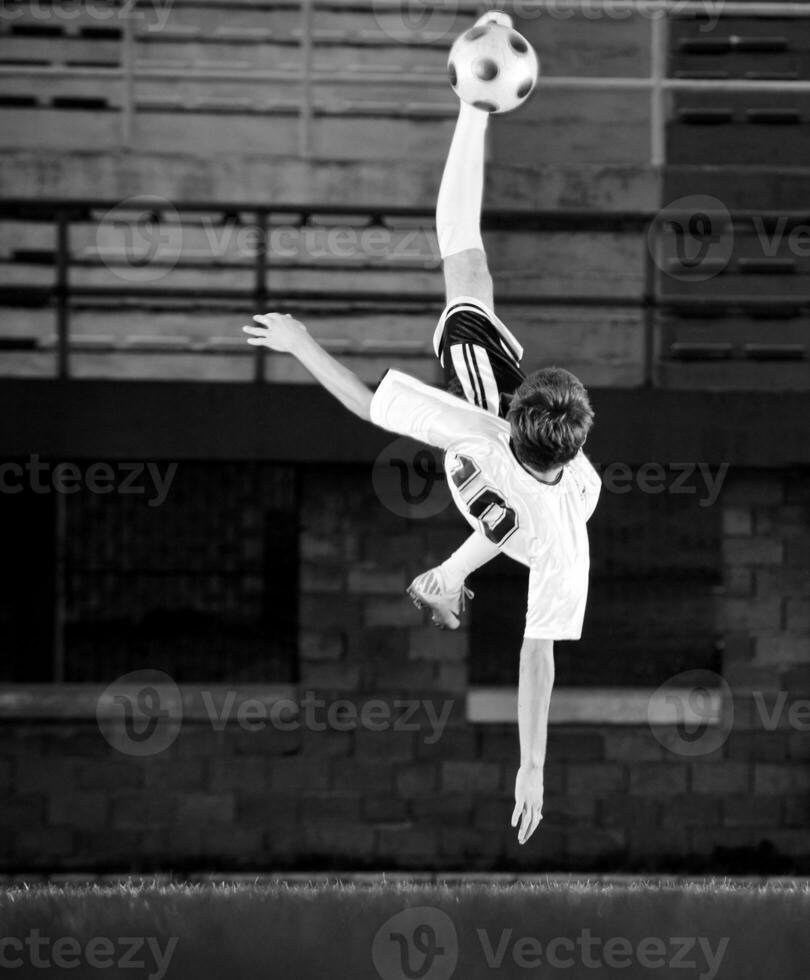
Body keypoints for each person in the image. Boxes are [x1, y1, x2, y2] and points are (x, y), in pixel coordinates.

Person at [243, 11, 600, 845]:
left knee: (460, 253)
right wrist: (533, 769)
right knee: (534, 532)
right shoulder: (565, 530)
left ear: (520, 413)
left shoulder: (481, 427)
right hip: (523, 515)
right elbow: (535, 658)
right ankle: (444, 573)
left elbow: (365, 402)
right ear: (574, 440)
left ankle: (475, 107)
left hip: (479, 477)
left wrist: (300, 343)